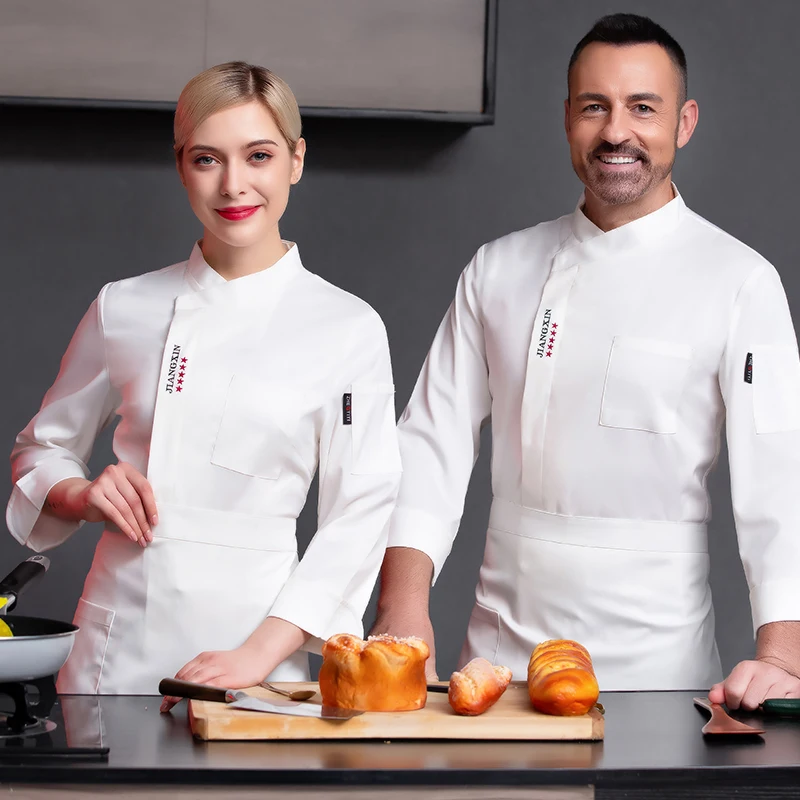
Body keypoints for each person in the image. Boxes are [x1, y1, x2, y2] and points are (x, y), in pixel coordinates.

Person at [372, 13, 800, 710]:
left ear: (684, 122)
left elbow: (782, 478)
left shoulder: (740, 282)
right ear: (568, 117)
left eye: (643, 108)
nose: (616, 132)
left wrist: (783, 655)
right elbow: (429, 446)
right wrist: (401, 607)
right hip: (497, 664)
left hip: (658, 666)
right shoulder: (498, 269)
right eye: (595, 107)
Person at [6, 62, 402, 704]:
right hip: (119, 645)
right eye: (207, 159)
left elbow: (361, 511)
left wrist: (256, 655)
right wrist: (82, 494)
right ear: (181, 165)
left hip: (261, 650)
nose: (233, 184)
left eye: (259, 155)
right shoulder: (124, 306)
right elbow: (38, 452)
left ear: (296, 161)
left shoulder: (348, 327)